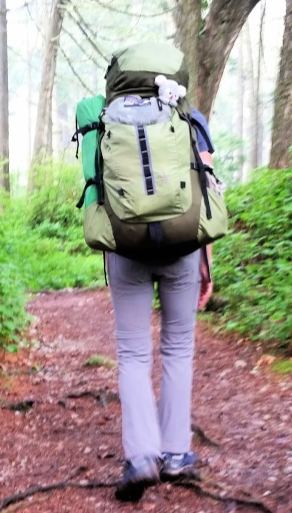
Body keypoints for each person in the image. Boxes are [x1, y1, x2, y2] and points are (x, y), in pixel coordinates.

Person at [107, 107, 215, 503]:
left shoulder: (109, 121)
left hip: (125, 249)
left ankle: (141, 458)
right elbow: (207, 192)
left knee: (133, 355)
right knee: (178, 349)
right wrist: (207, 263)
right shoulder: (191, 120)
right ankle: (175, 454)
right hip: (184, 248)